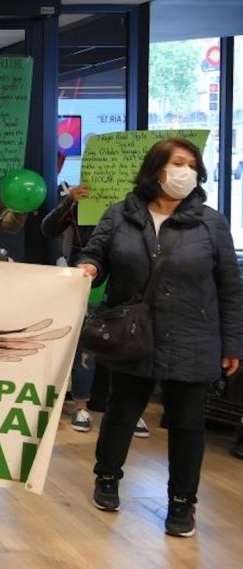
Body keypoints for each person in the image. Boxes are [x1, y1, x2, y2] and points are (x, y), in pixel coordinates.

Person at [77, 137, 241, 538]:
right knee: (121, 412)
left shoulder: (211, 222)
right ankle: (108, 478)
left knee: (187, 424)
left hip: (194, 335)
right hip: (132, 332)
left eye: (191, 164)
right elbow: (96, 253)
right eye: (177, 163)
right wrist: (88, 266)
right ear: (156, 170)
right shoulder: (120, 215)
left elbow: (229, 286)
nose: (186, 171)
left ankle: (183, 503)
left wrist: (233, 343)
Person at [41, 184, 151, 438]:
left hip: (127, 288)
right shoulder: (82, 201)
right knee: (85, 349)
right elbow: (48, 228)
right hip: (88, 283)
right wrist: (69, 200)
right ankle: (81, 406)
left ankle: (131, 411)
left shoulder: (141, 209)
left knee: (129, 347)